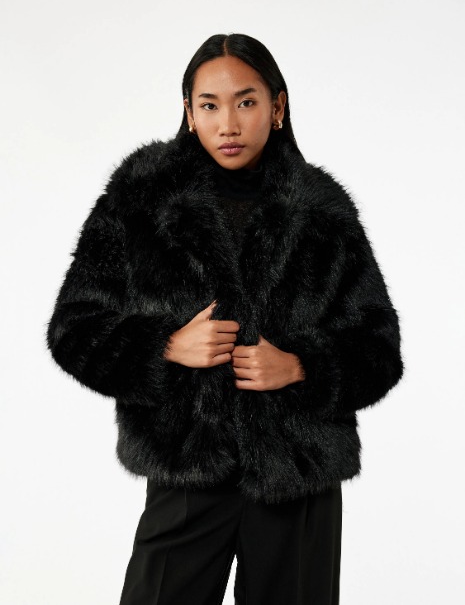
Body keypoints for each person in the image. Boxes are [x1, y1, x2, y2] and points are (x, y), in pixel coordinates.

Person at [46, 33, 404, 605]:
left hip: (295, 476)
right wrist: (165, 347)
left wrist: (301, 367)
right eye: (209, 105)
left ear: (277, 106)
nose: (228, 124)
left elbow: (379, 349)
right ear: (189, 112)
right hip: (187, 471)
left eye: (246, 102)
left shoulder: (322, 209)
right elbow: (74, 328)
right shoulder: (140, 197)